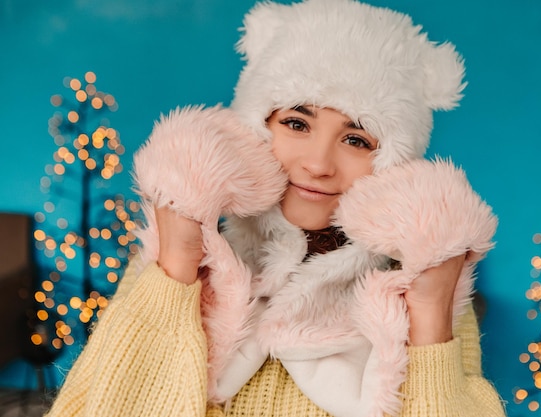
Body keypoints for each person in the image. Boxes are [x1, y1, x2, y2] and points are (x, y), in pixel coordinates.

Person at [45, 0, 506, 416]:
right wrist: (181, 261)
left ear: (393, 163)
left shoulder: (420, 291)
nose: (318, 164)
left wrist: (428, 315)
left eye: (355, 139)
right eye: (295, 122)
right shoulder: (169, 264)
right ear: (254, 127)